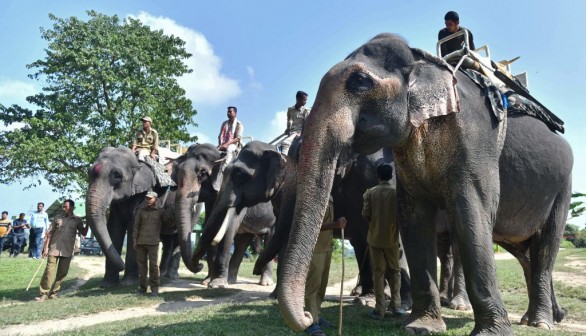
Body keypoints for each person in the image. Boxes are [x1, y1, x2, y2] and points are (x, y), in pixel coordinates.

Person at [362, 164, 405, 319]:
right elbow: (402, 216)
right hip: (393, 239)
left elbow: (366, 214)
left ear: (378, 176)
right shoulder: (397, 193)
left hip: (375, 239)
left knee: (378, 273)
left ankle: (379, 310)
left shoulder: (370, 193)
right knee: (395, 271)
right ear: (391, 176)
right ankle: (396, 306)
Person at [304, 196, 347, 336]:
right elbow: (311, 226)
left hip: (326, 247)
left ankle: (317, 314)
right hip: (314, 249)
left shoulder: (331, 197)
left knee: (322, 286)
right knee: (313, 286)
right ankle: (311, 322)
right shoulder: (313, 196)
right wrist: (335, 225)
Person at [37, 200, 88, 302]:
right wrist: (46, 248)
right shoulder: (57, 218)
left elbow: (84, 232)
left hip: (67, 250)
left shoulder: (77, 220)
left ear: (72, 207)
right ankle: (44, 294)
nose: (63, 208)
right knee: (49, 272)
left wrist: (89, 223)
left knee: (63, 273)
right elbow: (50, 233)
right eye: (63, 207)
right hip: (54, 248)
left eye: (66, 207)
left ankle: (53, 293)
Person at [133, 191, 165, 297]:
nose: (148, 200)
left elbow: (168, 222)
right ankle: (142, 288)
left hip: (154, 243)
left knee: (154, 267)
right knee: (142, 267)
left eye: (150, 198)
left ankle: (154, 289)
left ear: (155, 199)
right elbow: (136, 227)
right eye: (147, 198)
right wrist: (134, 240)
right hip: (141, 243)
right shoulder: (141, 211)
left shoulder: (160, 212)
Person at [282, 91, 310, 155]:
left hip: (299, 131)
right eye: (304, 100)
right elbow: (289, 120)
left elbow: (306, 124)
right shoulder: (290, 110)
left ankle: (283, 161)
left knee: (286, 143)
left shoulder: (306, 111)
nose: (306, 102)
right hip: (292, 131)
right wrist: (288, 129)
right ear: (298, 99)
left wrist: (301, 132)